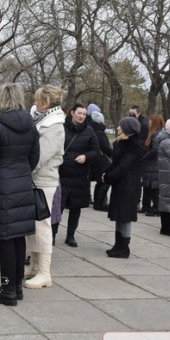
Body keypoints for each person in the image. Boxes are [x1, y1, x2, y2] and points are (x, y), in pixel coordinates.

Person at [0, 83, 40, 306]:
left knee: (5, 239)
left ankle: (7, 289)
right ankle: (15, 286)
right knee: (17, 238)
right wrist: (21, 171)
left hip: (2, 187)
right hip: (22, 183)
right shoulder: (30, 125)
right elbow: (34, 157)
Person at [24, 85, 65, 289]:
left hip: (44, 181)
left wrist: (23, 170)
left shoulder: (54, 125)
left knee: (42, 225)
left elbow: (41, 156)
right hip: (36, 179)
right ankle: (34, 266)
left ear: (46, 102)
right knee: (34, 225)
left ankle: (44, 272)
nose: (35, 101)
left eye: (38, 99)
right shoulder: (43, 120)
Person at [102, 117, 147, 258]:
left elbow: (123, 167)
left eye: (120, 126)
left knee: (125, 216)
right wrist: (106, 173)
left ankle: (124, 247)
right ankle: (118, 244)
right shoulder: (121, 144)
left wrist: (109, 177)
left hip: (128, 186)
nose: (117, 128)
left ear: (127, 129)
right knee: (119, 215)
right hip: (121, 185)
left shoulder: (133, 147)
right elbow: (115, 163)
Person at [59, 103, 100, 248]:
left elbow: (96, 151)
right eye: (79, 113)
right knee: (58, 207)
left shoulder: (89, 131)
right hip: (61, 174)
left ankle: (70, 235)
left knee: (76, 208)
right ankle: (51, 233)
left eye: (84, 114)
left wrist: (86, 157)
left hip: (80, 176)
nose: (82, 116)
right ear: (72, 113)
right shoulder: (61, 127)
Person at [139, 114, 165, 217]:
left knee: (153, 187)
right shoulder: (159, 133)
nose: (149, 122)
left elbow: (154, 150)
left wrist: (144, 157)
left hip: (153, 164)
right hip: (153, 164)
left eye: (151, 121)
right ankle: (147, 206)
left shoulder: (155, 134)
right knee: (148, 186)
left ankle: (154, 208)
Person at [88, 109, 112, 211]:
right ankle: (100, 203)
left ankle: (98, 202)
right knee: (103, 181)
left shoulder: (92, 130)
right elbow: (105, 147)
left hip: (97, 159)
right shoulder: (99, 132)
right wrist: (112, 154)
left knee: (100, 182)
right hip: (101, 160)